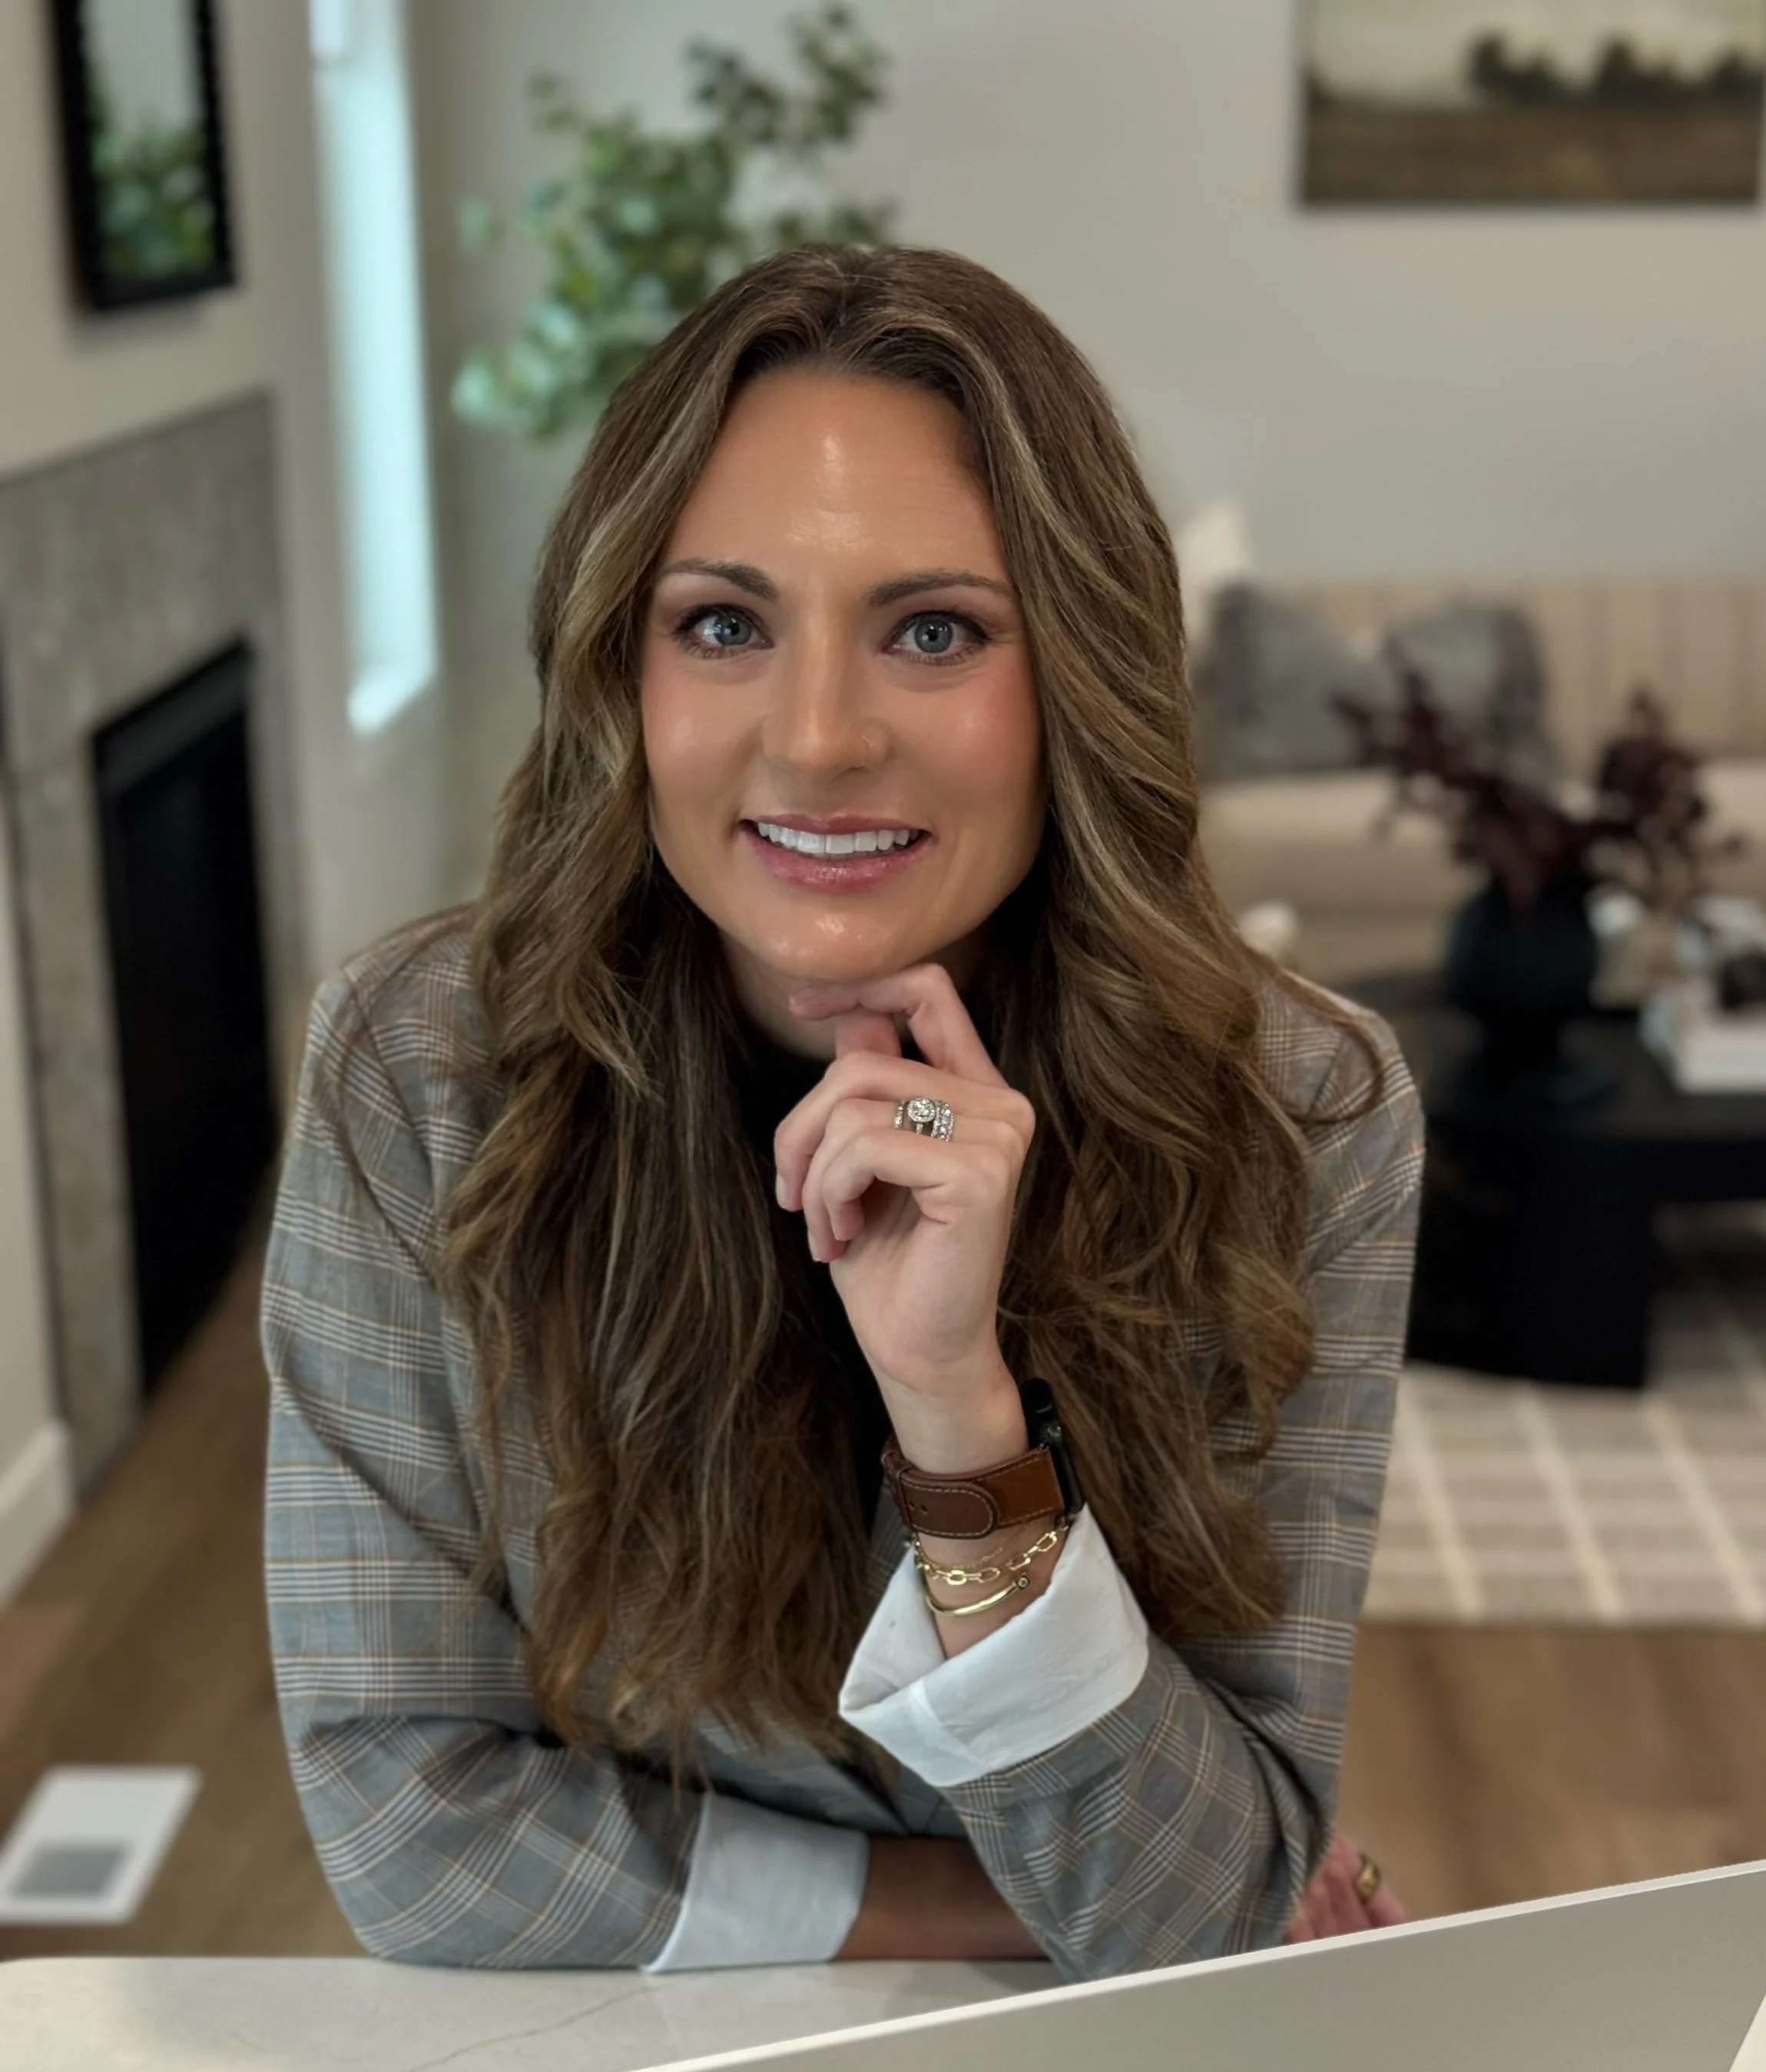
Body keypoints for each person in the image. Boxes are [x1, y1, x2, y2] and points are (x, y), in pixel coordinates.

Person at [263, 243, 1420, 1978]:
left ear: (1078, 679)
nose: (814, 739)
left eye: (934, 630)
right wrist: (969, 1908)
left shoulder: (1300, 1116)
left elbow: (1209, 1904)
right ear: (618, 673)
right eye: (721, 623)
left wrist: (962, 1430)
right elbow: (408, 1833)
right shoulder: (418, 1066)